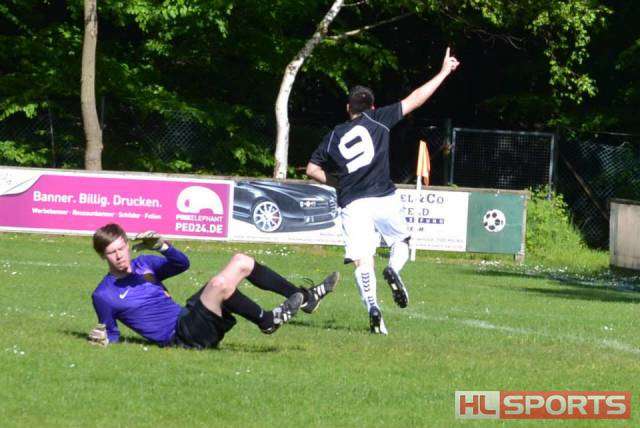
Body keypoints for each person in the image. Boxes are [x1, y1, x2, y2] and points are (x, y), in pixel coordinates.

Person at [306, 48, 459, 335]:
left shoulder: (334, 135)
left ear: (348, 108)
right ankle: (394, 270)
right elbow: (416, 98)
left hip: (353, 203)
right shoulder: (379, 119)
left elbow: (312, 169)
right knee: (401, 241)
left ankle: (374, 310)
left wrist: (340, 183)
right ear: (372, 107)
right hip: (383, 197)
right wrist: (443, 72)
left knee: (362, 260)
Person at [87, 223, 339, 349]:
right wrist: (101, 339)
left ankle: (302, 298)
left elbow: (182, 264)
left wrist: (162, 246)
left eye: (122, 248)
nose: (119, 256)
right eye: (112, 252)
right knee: (218, 284)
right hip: (180, 337)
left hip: (189, 317)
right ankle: (268, 320)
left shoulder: (144, 264)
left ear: (128, 244)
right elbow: (112, 335)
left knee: (241, 261)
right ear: (102, 256)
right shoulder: (103, 295)